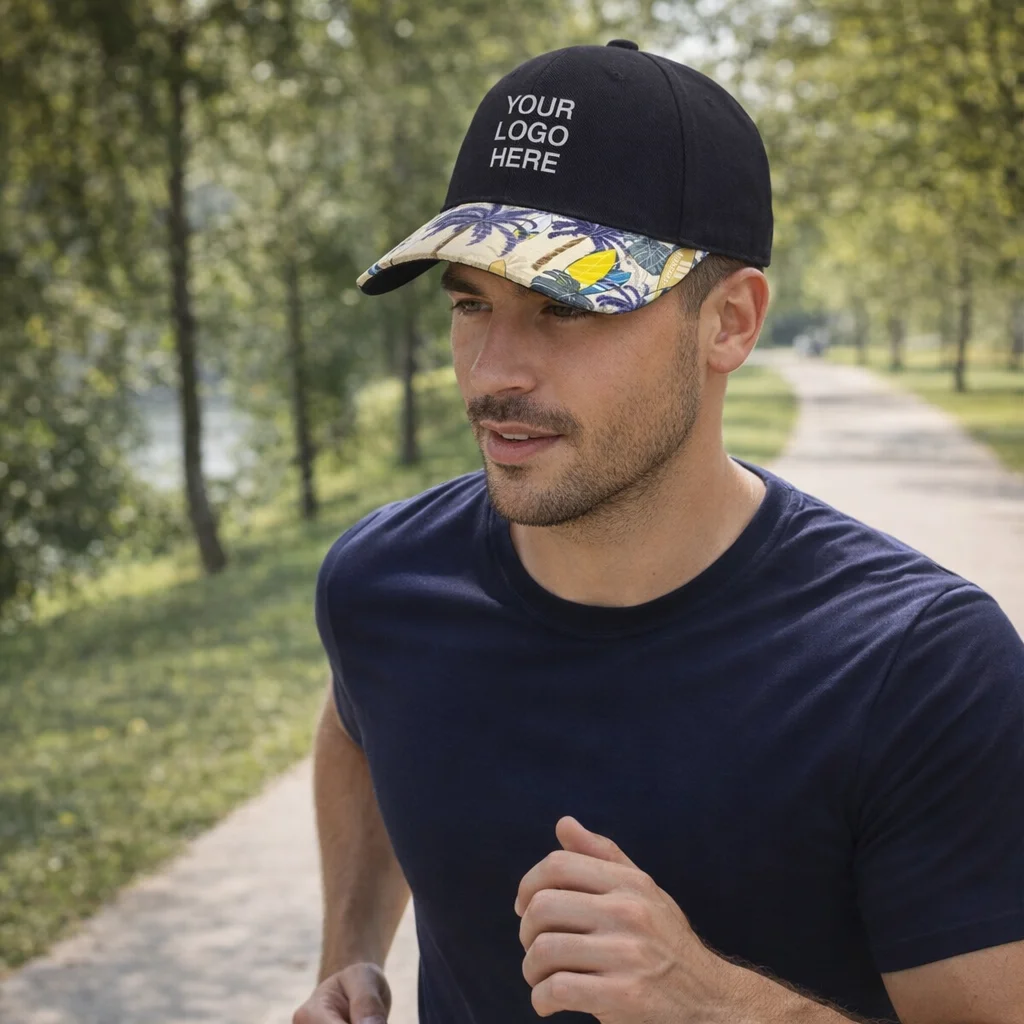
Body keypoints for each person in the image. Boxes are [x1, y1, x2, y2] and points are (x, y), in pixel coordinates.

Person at [293, 40, 1024, 1024]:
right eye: (471, 304)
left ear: (729, 321)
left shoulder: (921, 665)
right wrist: (351, 954)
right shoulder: (380, 583)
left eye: (564, 307)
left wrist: (713, 1003)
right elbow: (357, 724)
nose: (494, 370)